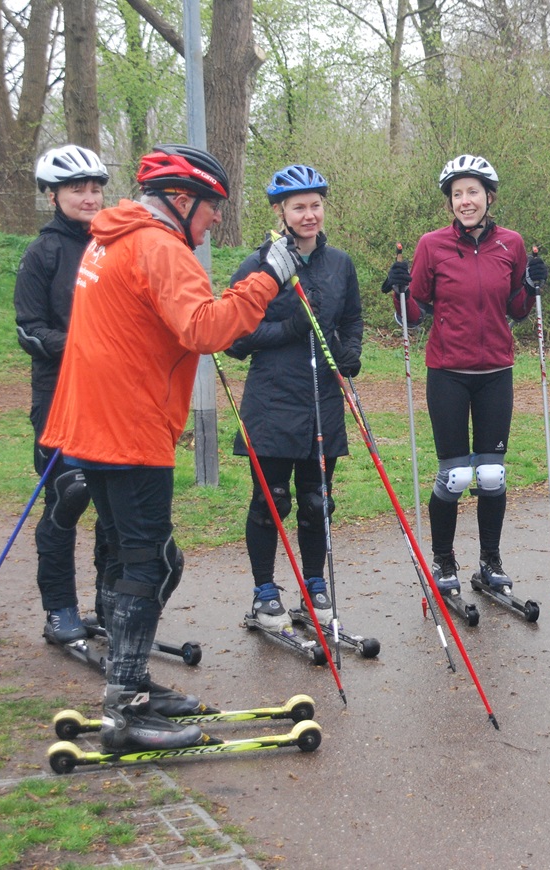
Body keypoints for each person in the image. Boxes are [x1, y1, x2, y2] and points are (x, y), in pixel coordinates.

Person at [41, 145, 300, 751]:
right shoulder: (157, 245)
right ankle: (125, 709)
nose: (215, 220)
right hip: (126, 428)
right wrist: (268, 276)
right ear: (181, 201)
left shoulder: (113, 238)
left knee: (129, 556)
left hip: (96, 423)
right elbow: (206, 328)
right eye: (211, 207)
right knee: (153, 563)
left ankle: (129, 686)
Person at [384, 154, 546, 596]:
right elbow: (413, 314)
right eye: (457, 194)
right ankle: (443, 562)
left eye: (473, 191)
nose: (465, 200)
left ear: (489, 197)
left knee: (492, 475)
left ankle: (490, 562)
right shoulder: (432, 245)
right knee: (455, 476)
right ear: (450, 203)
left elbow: (516, 309)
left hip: (496, 371)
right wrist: (399, 290)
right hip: (448, 373)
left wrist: (531, 287)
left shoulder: (511, 244)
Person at [226, 165, 363, 631]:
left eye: (315, 205)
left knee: (317, 501)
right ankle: (265, 592)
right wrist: (289, 328)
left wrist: (350, 353)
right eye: (299, 207)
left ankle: (313, 585)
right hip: (272, 402)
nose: (309, 215)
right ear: (280, 212)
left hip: (322, 401)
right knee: (272, 501)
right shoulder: (258, 265)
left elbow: (352, 318)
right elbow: (234, 337)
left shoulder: (339, 264)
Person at [13, 145, 111, 644]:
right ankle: (60, 609)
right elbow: (28, 330)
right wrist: (81, 345)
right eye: (77, 189)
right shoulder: (43, 252)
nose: (89, 197)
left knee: (113, 504)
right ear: (52, 195)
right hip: (59, 396)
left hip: (110, 395)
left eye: (95, 188)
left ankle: (111, 604)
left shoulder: (112, 245)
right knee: (67, 497)